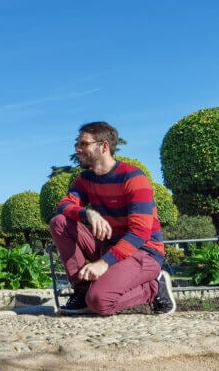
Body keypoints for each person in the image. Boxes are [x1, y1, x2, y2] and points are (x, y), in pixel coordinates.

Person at [49, 121, 176, 316]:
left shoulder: (133, 177)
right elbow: (64, 206)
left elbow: (140, 232)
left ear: (104, 146)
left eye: (84, 144)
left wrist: (103, 263)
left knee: (100, 302)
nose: (78, 149)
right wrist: (88, 213)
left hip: (144, 252)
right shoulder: (85, 179)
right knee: (59, 223)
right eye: (77, 144)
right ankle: (82, 292)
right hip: (109, 246)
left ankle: (154, 287)